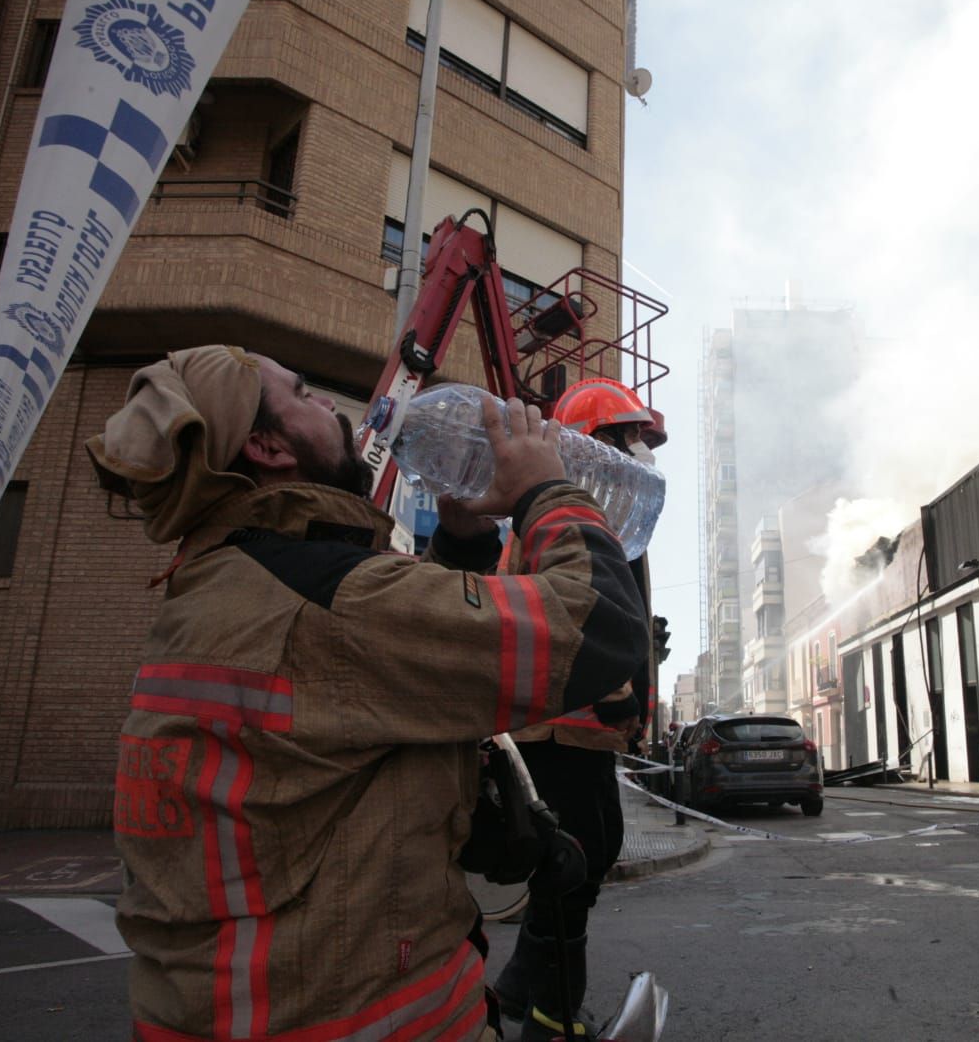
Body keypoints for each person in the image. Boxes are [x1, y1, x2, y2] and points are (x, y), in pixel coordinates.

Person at [85, 346, 647, 1041]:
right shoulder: (327, 596)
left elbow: (373, 674)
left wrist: (462, 543)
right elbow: (602, 630)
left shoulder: (225, 578)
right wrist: (547, 491)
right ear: (266, 445)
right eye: (303, 393)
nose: (333, 407)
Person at [492, 378, 663, 1041]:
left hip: (577, 729)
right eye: (629, 437)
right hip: (562, 729)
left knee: (577, 864)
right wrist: (619, 690)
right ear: (594, 445)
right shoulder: (573, 515)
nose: (641, 450)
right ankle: (552, 1020)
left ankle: (518, 990)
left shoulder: (597, 512)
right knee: (572, 866)